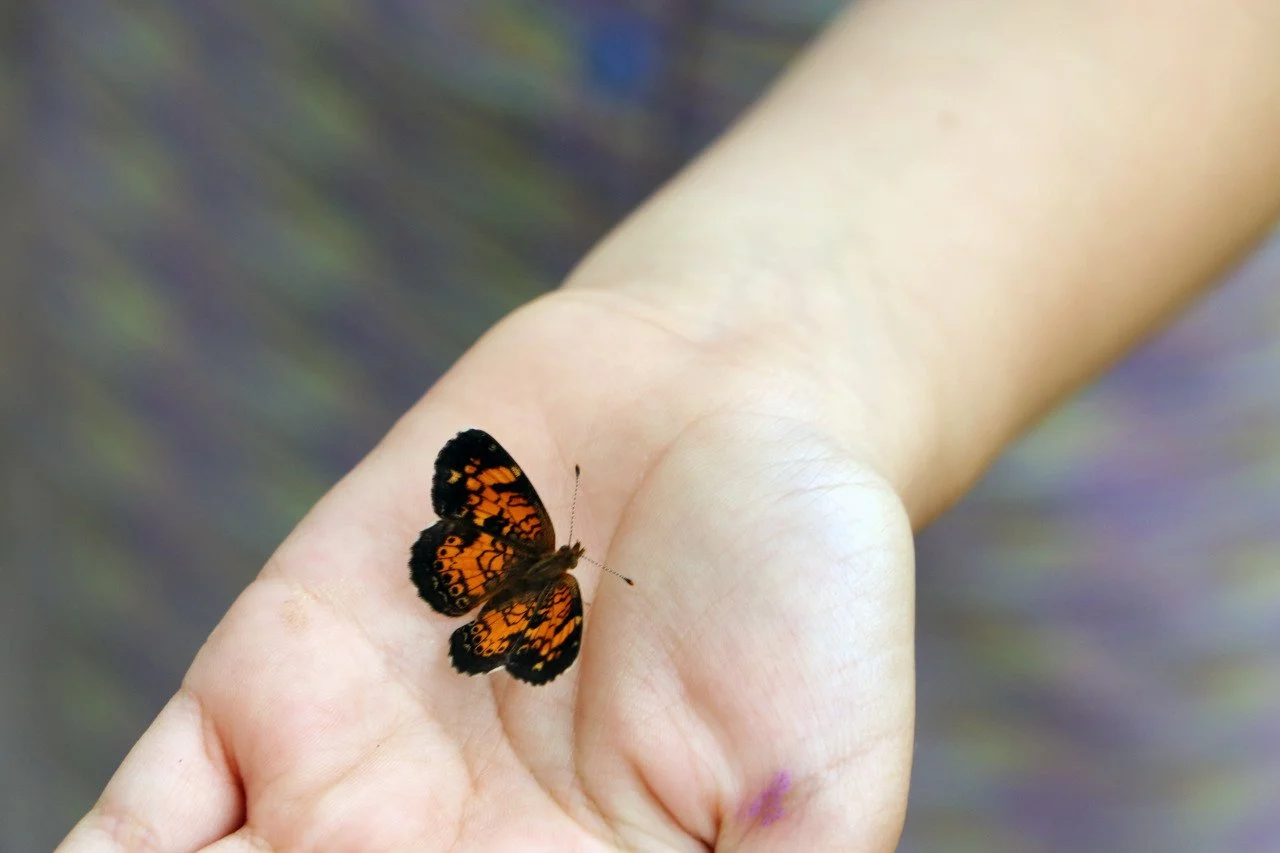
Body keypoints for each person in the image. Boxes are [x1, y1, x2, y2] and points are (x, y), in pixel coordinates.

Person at [56, 1, 1280, 849]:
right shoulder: (558, 597)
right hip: (226, 290)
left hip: (1076, 452)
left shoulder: (563, 577)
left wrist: (770, 361)